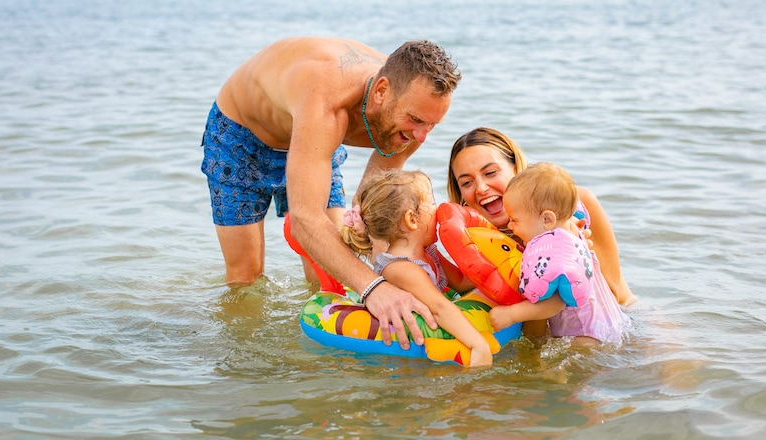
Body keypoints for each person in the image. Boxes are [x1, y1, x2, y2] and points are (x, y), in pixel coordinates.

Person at [200, 37, 461, 348]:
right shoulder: (328, 101)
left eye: (431, 125)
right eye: (416, 120)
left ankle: (319, 360)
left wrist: (396, 274)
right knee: (246, 276)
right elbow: (305, 221)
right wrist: (374, 288)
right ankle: (247, 356)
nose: (420, 136)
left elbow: (370, 209)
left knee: (332, 269)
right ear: (380, 91)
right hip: (241, 135)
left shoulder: (412, 114)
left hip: (315, 142)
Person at [446, 127, 636, 307]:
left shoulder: (574, 208)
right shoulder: (475, 242)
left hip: (628, 317)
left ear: (516, 168)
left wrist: (573, 251)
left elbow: (615, 293)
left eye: (490, 173)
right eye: (467, 182)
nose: (481, 188)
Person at [341, 169, 493, 367]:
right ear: (412, 219)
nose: (437, 209)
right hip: (412, 351)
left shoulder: (429, 252)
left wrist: (489, 260)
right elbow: (439, 308)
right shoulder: (400, 268)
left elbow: (462, 284)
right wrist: (477, 344)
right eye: (431, 203)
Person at [487, 162, 630, 345]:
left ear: (547, 219)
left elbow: (556, 302)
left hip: (585, 336)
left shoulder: (553, 250)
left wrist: (511, 314)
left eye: (515, 220)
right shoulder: (571, 232)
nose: (510, 226)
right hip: (608, 324)